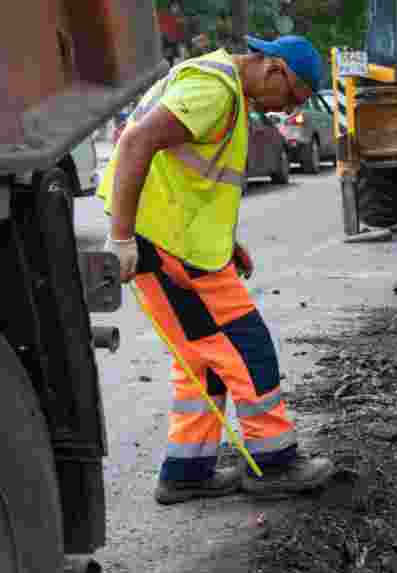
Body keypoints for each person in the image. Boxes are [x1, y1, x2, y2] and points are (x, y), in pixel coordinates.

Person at [96, 34, 336, 505]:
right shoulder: (215, 91)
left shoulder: (220, 85)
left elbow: (188, 180)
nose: (286, 112)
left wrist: (225, 243)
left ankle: (188, 470)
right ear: (274, 70)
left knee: (201, 359)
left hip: (177, 244)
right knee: (248, 348)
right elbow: (137, 141)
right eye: (292, 98)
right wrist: (121, 238)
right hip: (170, 249)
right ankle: (277, 463)